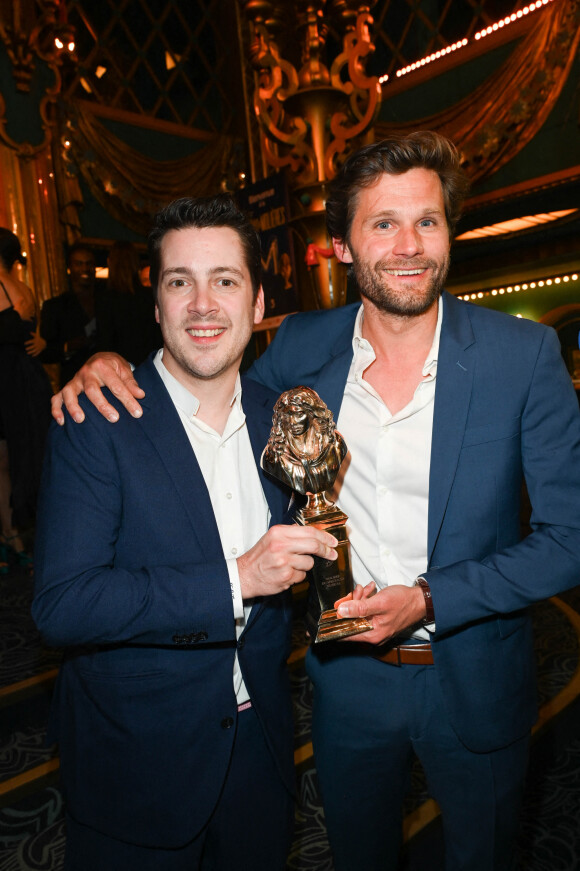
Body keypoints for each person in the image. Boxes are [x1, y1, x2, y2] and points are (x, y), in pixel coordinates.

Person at [49, 133, 580, 871]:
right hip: (346, 687)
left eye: (427, 221)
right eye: (382, 224)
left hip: (476, 681)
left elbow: (569, 537)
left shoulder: (521, 358)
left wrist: (430, 598)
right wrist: (103, 365)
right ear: (342, 246)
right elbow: (201, 368)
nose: (408, 246)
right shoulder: (301, 348)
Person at [32, 195, 337, 871]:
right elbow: (61, 605)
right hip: (137, 771)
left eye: (225, 280)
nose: (203, 304)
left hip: (259, 758)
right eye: (180, 282)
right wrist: (236, 580)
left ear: (258, 303)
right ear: (157, 303)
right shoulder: (98, 418)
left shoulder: (280, 419)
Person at [0, 229, 52, 568]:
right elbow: (35, 339)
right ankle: (18, 534)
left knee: (4, 461)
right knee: (26, 454)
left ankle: (10, 537)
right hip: (29, 380)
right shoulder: (26, 290)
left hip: (6, 381)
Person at [40, 242, 103, 388]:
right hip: (74, 384)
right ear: (69, 268)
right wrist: (68, 347)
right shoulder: (55, 306)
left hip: (110, 382)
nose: (84, 268)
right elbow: (45, 352)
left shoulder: (108, 301)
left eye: (89, 263)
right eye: (78, 264)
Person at [99, 240, 161, 365]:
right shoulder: (150, 296)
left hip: (120, 370)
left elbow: (104, 344)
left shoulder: (106, 300)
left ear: (109, 262)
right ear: (136, 264)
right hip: (151, 366)